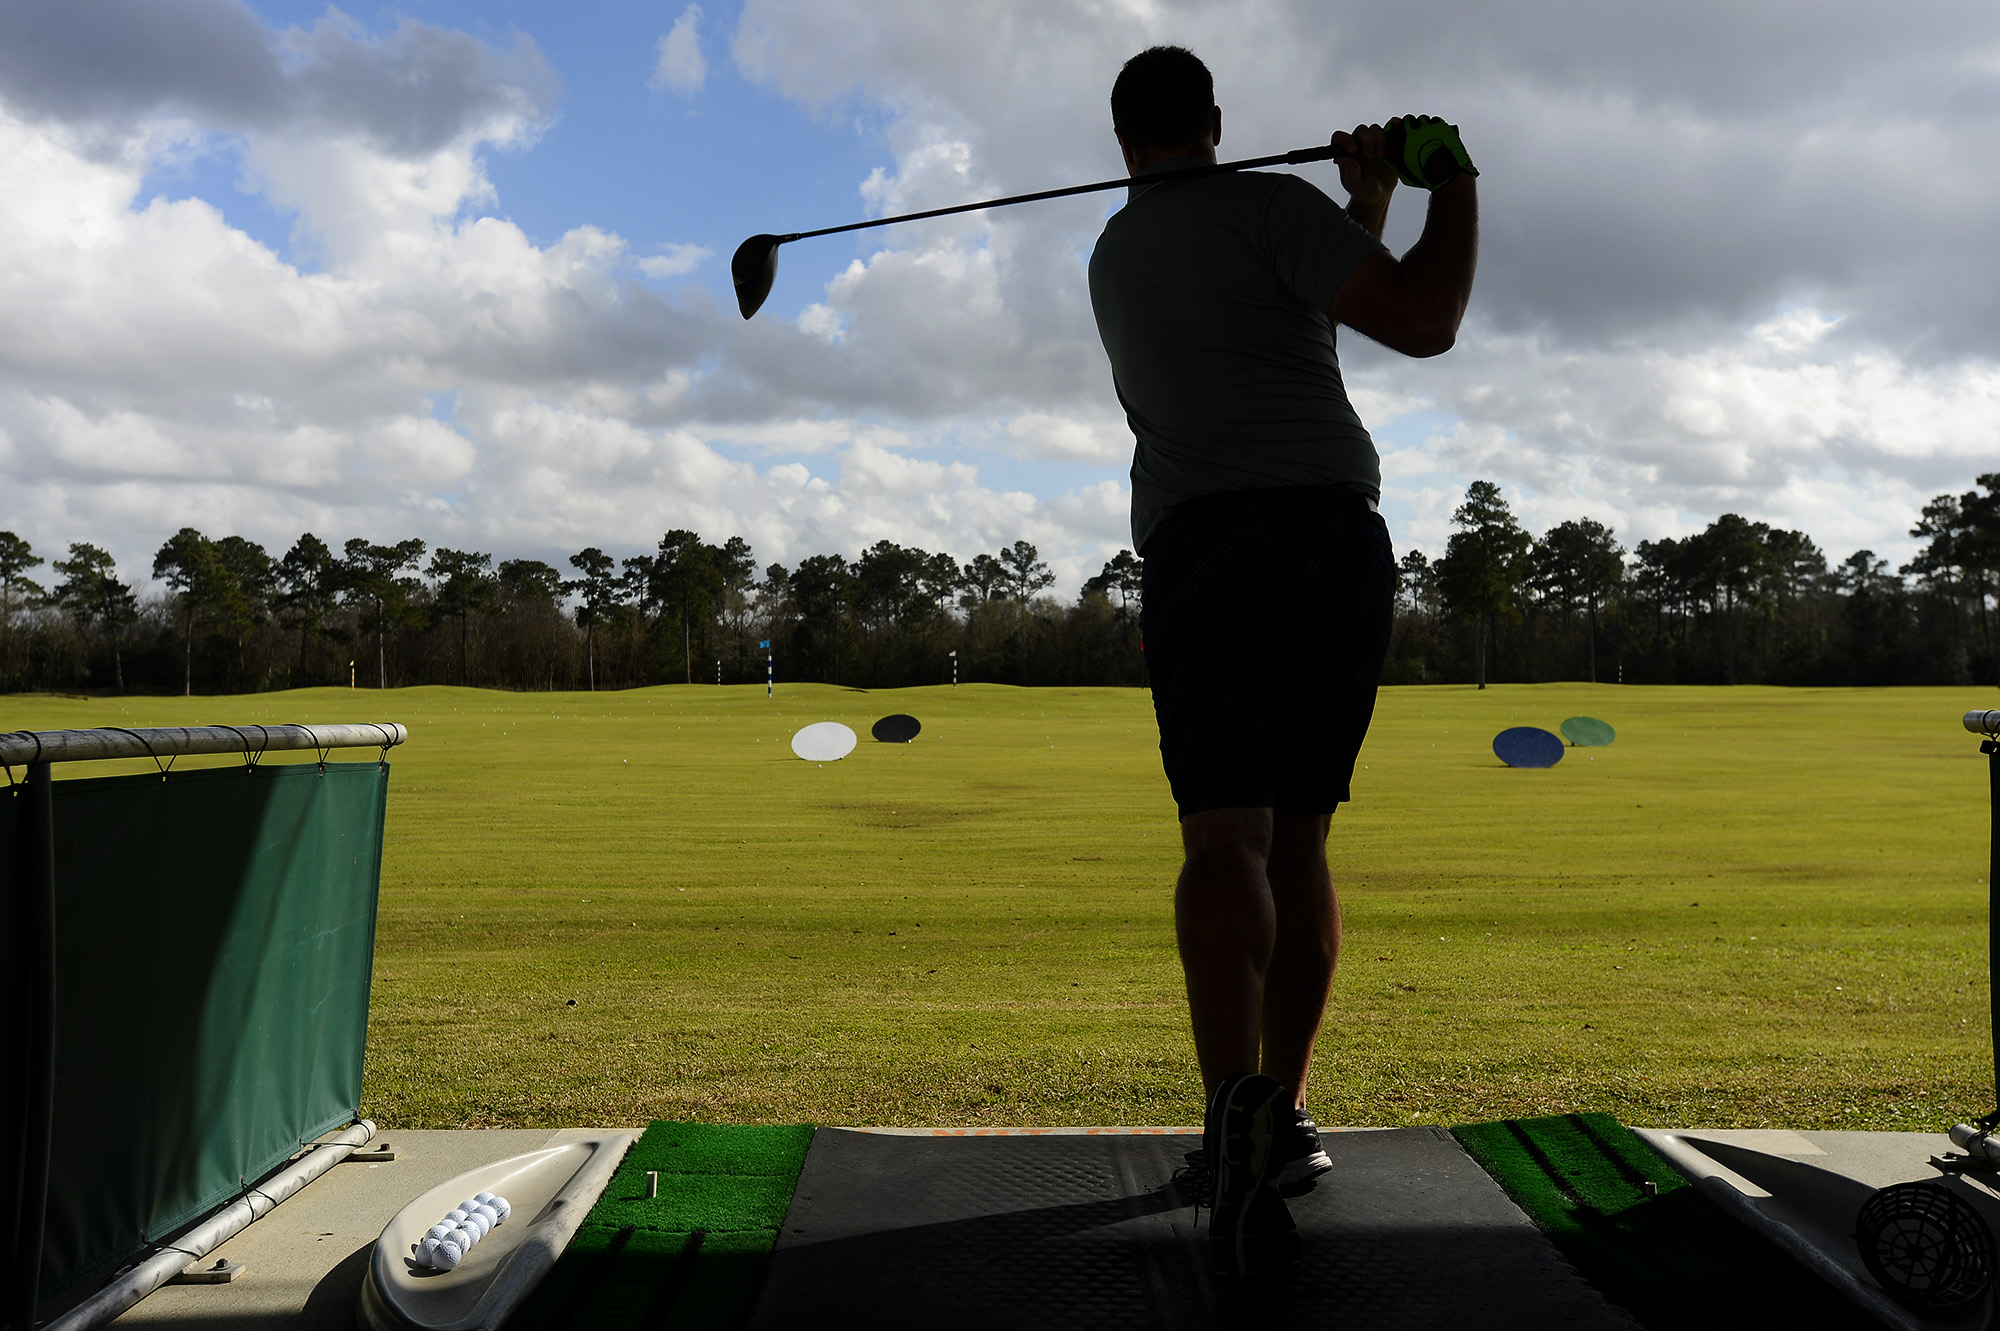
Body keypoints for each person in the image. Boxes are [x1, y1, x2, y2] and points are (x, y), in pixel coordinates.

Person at [1086, 46, 1479, 1280]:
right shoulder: (1266, 205)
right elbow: (1420, 322)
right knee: (1298, 840)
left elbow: (1286, 311)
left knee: (1223, 842)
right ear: (1216, 121)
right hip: (1324, 541)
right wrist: (1445, 179)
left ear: (1122, 141)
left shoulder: (1115, 252)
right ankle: (1285, 1107)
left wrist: (1355, 209)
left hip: (1201, 550)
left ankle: (1233, 1117)